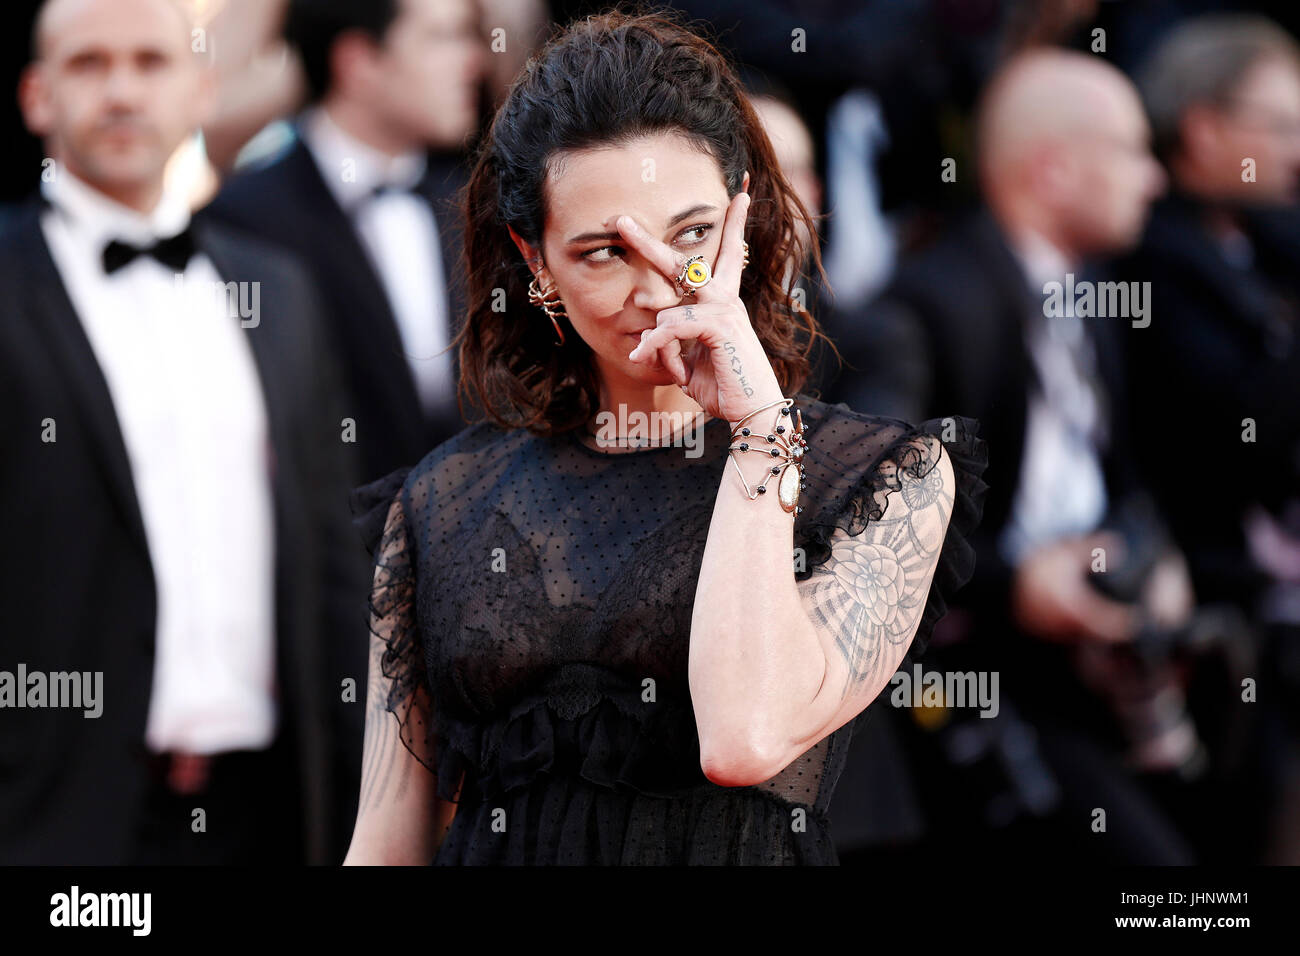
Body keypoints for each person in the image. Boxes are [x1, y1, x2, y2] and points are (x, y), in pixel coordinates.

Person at [340, 8, 987, 867]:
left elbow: (745, 737)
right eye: (605, 251)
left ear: (744, 217)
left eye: (690, 235)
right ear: (536, 265)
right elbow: (387, 848)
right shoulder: (438, 504)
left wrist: (761, 429)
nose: (661, 289)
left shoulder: (882, 479)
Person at [0, 0, 369, 864]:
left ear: (202, 90)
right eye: (89, 63)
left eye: (151, 62)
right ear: (35, 96)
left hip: (271, 811)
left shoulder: (279, 293)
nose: (123, 90)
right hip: (52, 817)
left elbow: (334, 560)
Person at [824, 49, 1205, 864]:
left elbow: (1119, 472)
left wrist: (1158, 558)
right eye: (1133, 151)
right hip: (976, 685)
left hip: (1097, 663)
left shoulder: (1091, 295)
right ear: (1055, 169)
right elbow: (876, 522)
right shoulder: (927, 306)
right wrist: (1018, 587)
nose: (1155, 179)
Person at [204, 0, 487, 485]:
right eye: (442, 37)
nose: (474, 61)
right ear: (359, 63)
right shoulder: (243, 221)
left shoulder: (476, 204)